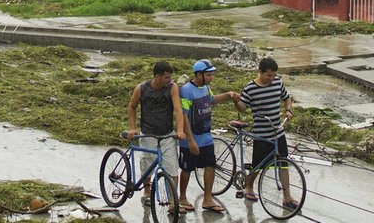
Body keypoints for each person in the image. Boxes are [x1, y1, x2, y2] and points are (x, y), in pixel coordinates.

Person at [233, 57, 297, 208]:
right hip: (261, 134)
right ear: (260, 72)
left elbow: (287, 98)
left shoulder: (277, 83)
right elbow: (243, 107)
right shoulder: (250, 88)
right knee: (258, 165)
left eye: (274, 75)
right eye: (268, 75)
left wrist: (288, 110)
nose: (271, 78)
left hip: (278, 131)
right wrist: (235, 100)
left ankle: (287, 197)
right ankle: (249, 186)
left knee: (283, 164)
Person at [178, 59, 239, 213]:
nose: (212, 78)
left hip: (206, 136)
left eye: (212, 75)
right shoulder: (186, 91)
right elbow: (183, 117)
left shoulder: (206, 88)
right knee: (187, 169)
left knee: (210, 165)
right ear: (198, 75)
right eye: (209, 75)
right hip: (190, 139)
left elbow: (211, 101)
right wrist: (190, 140)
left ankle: (207, 199)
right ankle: (182, 197)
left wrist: (227, 95)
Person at [127, 61, 186, 205]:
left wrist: (179, 130)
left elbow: (178, 109)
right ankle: (146, 191)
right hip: (148, 133)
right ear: (157, 77)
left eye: (170, 77)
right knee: (147, 163)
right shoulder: (141, 88)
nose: (169, 80)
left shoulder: (172, 88)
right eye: (166, 77)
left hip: (167, 134)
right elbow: (132, 107)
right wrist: (133, 128)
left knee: (172, 166)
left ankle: (173, 201)